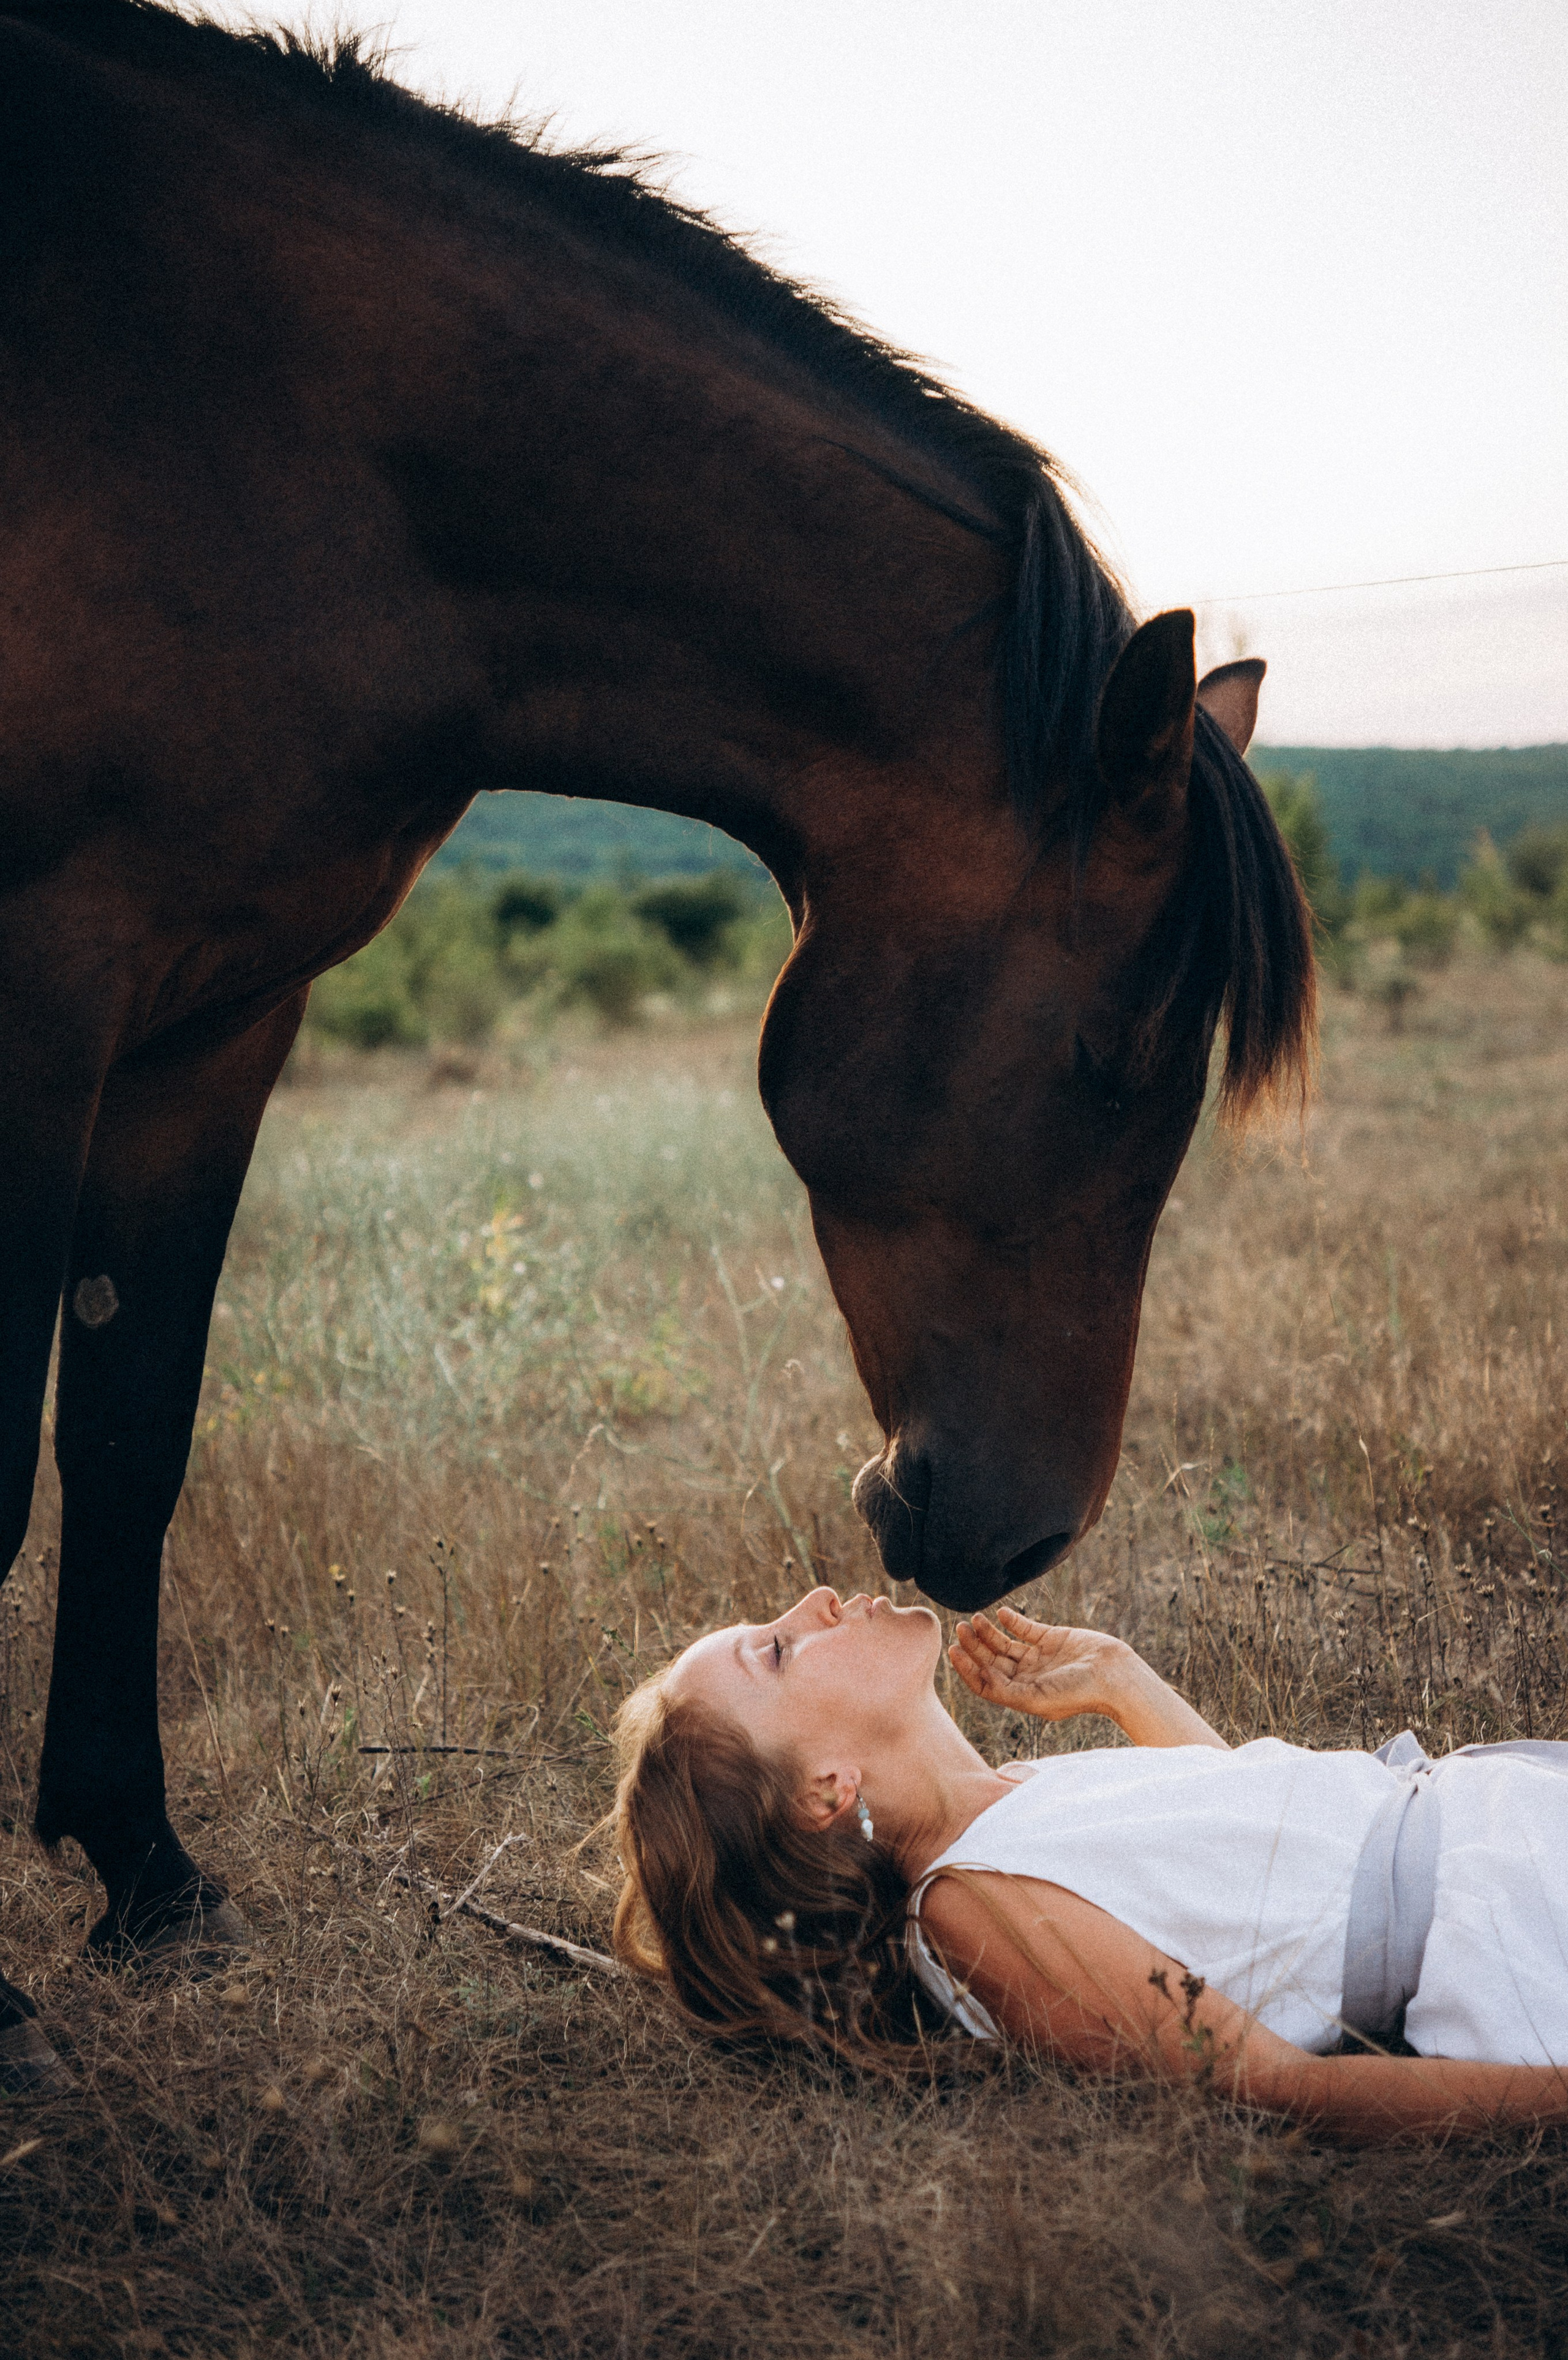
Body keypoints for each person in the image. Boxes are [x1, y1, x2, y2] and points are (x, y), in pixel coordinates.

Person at [611, 1585, 1568, 2143]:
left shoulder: (1014, 1796)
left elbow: (1252, 1852)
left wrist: (1123, 1683)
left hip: (1508, 1814)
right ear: (826, 1787)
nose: (812, 1602)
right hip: (1505, 1925)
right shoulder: (973, 1910)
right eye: (776, 1653)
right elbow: (1275, 2086)